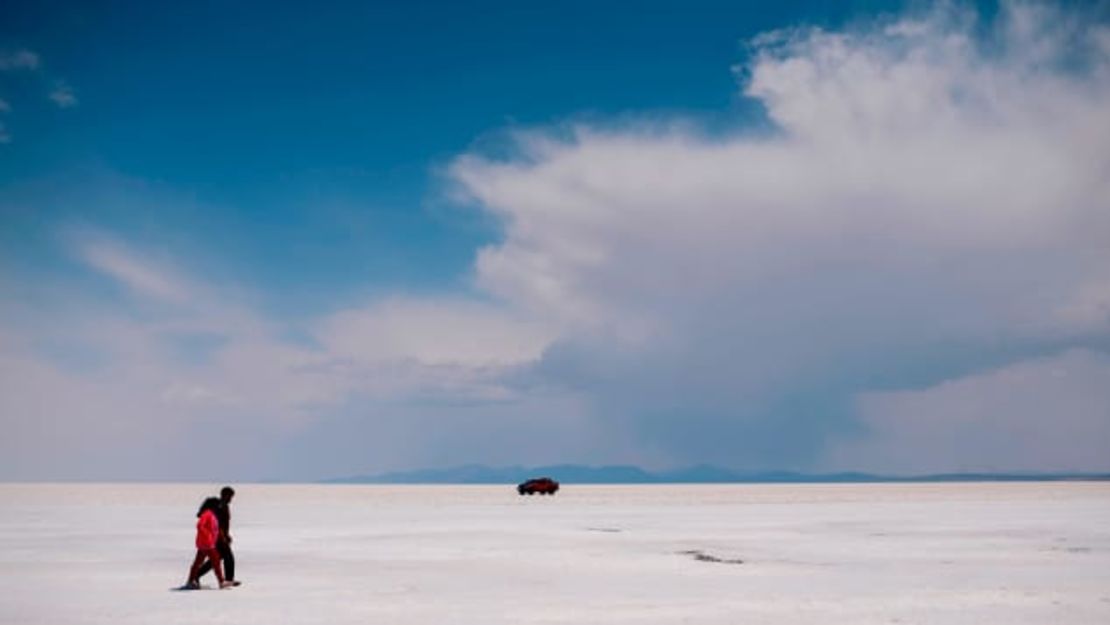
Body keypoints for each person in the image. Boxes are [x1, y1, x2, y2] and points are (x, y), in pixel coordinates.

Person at [184, 497, 234, 589]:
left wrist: (221, 536)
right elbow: (200, 526)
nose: (219, 506)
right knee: (215, 562)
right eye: (217, 505)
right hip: (207, 544)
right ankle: (221, 582)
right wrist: (208, 536)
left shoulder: (212, 514)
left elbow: (214, 529)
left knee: (201, 563)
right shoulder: (207, 514)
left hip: (207, 543)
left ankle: (191, 581)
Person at [196, 486, 239, 586]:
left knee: (216, 559)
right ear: (224, 495)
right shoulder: (215, 505)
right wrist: (222, 535)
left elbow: (225, 523)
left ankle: (197, 575)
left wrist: (227, 535)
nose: (231, 499)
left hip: (221, 536)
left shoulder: (225, 507)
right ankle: (229, 579)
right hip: (215, 536)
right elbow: (211, 520)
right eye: (230, 497)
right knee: (228, 556)